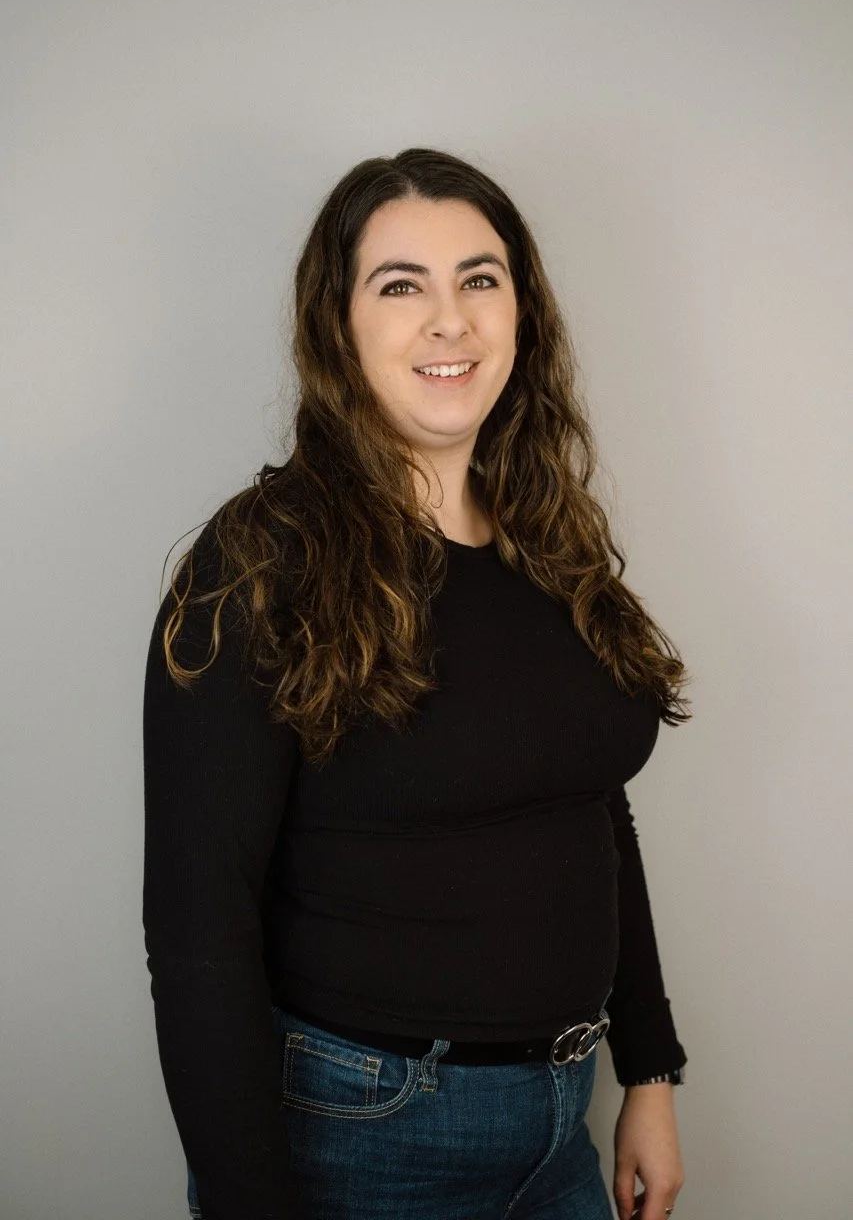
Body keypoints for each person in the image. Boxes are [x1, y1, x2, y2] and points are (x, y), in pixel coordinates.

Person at [142, 147, 689, 1220]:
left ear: (520, 313)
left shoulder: (547, 541)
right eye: (402, 285)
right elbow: (199, 923)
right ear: (338, 325)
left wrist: (649, 1069)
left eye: (479, 278)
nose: (451, 319)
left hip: (561, 1126)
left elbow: (590, 807)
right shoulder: (259, 560)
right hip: (360, 1137)